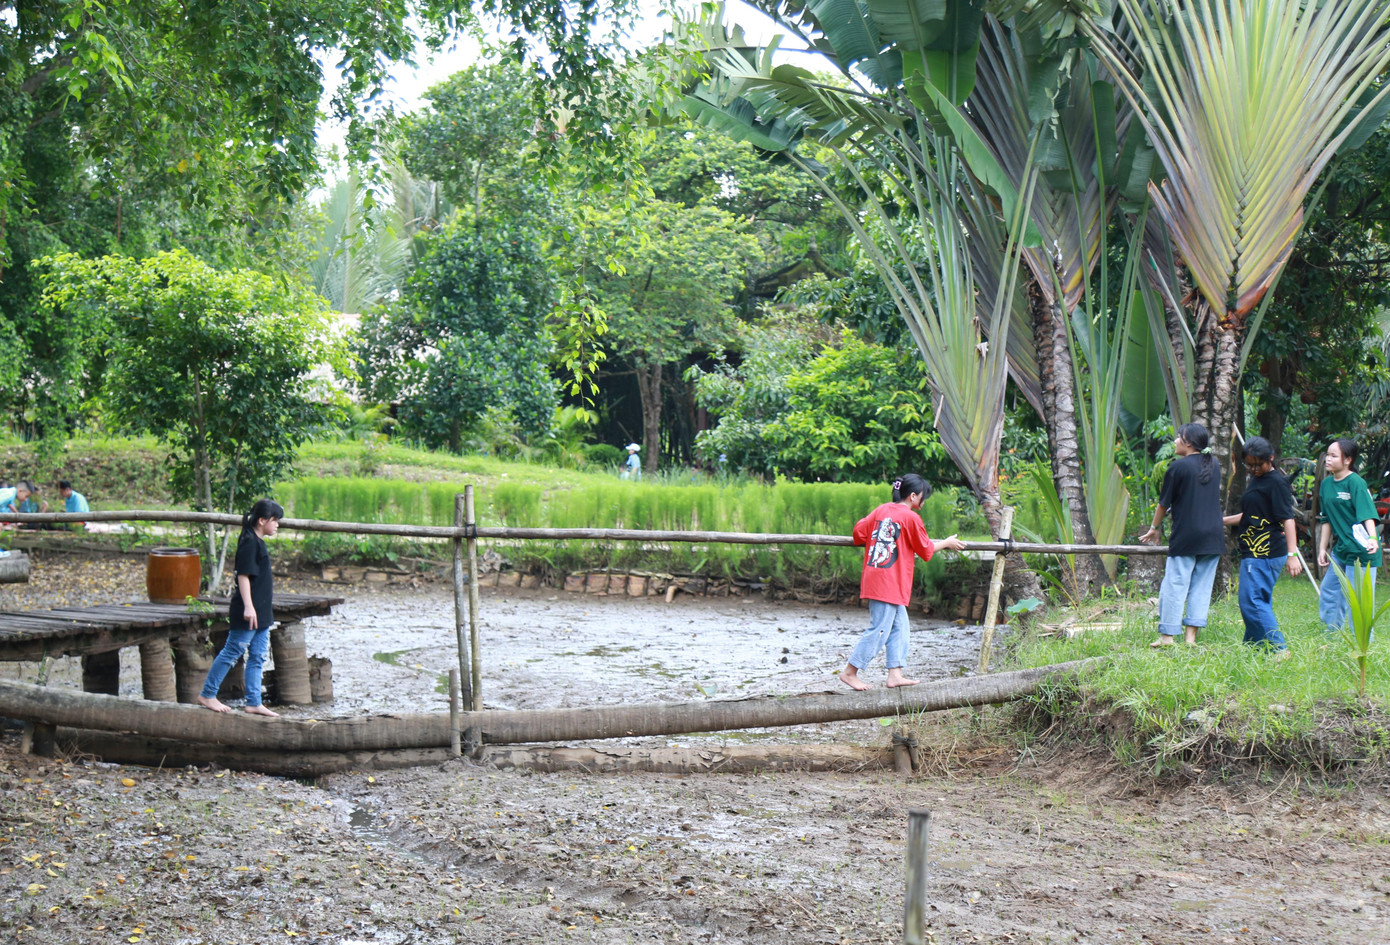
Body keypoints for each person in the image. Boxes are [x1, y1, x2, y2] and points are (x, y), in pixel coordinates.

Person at [839, 473, 966, 691]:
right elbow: (926, 550)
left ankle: (895, 674)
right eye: (924, 495)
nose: (924, 500)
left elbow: (858, 533)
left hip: (882, 578)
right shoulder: (910, 518)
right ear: (914, 496)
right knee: (880, 629)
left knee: (900, 627)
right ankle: (850, 672)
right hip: (888, 581)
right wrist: (946, 542)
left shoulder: (882, 510)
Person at [1139, 422, 1225, 648]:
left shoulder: (1178, 467)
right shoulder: (1213, 464)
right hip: (1213, 536)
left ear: (1188, 443)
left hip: (1187, 535)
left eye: (1178, 437)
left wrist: (1154, 528)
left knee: (1175, 584)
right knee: (1201, 587)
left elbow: (1163, 504)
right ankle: (1190, 639)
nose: (1175, 441)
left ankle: (1167, 637)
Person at [197, 498, 284, 717]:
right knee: (232, 652)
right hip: (249, 610)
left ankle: (254, 701)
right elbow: (243, 576)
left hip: (262, 612)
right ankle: (208, 694)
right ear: (262, 520)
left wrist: (258, 609)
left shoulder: (258, 541)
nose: (277, 525)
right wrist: (248, 606)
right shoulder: (248, 542)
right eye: (275, 520)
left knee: (258, 656)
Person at [1222, 437, 1302, 653]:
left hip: (1264, 551)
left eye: (1259, 464)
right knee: (1256, 601)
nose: (1254, 469)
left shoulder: (1276, 482)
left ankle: (1279, 651)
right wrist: (1220, 520)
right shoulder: (1257, 479)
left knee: (1252, 601)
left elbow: (1288, 519)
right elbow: (1250, 515)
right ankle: (1253, 651)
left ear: (1272, 458)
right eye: (1250, 464)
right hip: (1253, 550)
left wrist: (1292, 554)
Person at [1317, 438, 1381, 632]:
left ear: (1348, 460)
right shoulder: (1326, 485)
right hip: (1341, 549)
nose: (1327, 459)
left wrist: (1372, 539)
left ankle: (1361, 645)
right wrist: (1322, 548)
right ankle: (1331, 638)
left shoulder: (1356, 482)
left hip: (1362, 551)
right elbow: (1326, 519)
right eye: (1327, 455)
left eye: (1333, 456)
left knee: (1359, 600)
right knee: (1329, 592)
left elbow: (1367, 513)